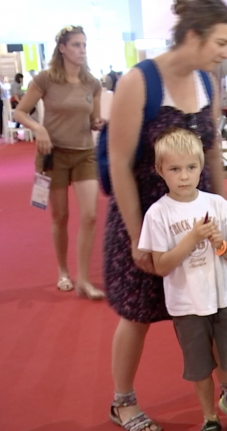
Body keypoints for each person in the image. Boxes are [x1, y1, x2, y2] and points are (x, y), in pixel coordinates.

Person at [104, 1, 227, 430]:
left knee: (211, 305)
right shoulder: (139, 82)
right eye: (221, 42)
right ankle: (122, 400)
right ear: (193, 37)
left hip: (199, 216)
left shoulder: (205, 80)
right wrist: (136, 232)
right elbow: (120, 163)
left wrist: (225, 206)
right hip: (145, 217)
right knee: (138, 313)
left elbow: (212, 149)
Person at [138, 129, 227, 431]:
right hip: (186, 303)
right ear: (160, 170)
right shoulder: (157, 214)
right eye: (174, 169)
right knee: (200, 367)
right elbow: (161, 265)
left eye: (191, 167)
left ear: (201, 165)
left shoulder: (216, 204)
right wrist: (191, 238)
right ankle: (209, 417)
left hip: (225, 295)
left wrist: (220, 243)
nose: (183, 176)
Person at [14, 26, 105, 299]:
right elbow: (19, 112)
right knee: (60, 216)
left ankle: (84, 280)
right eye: (76, 45)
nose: (82, 50)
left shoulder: (93, 83)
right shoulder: (45, 79)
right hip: (53, 154)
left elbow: (93, 121)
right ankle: (63, 271)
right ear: (62, 48)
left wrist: (100, 124)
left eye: (84, 45)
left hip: (84, 154)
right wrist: (38, 129)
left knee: (89, 215)